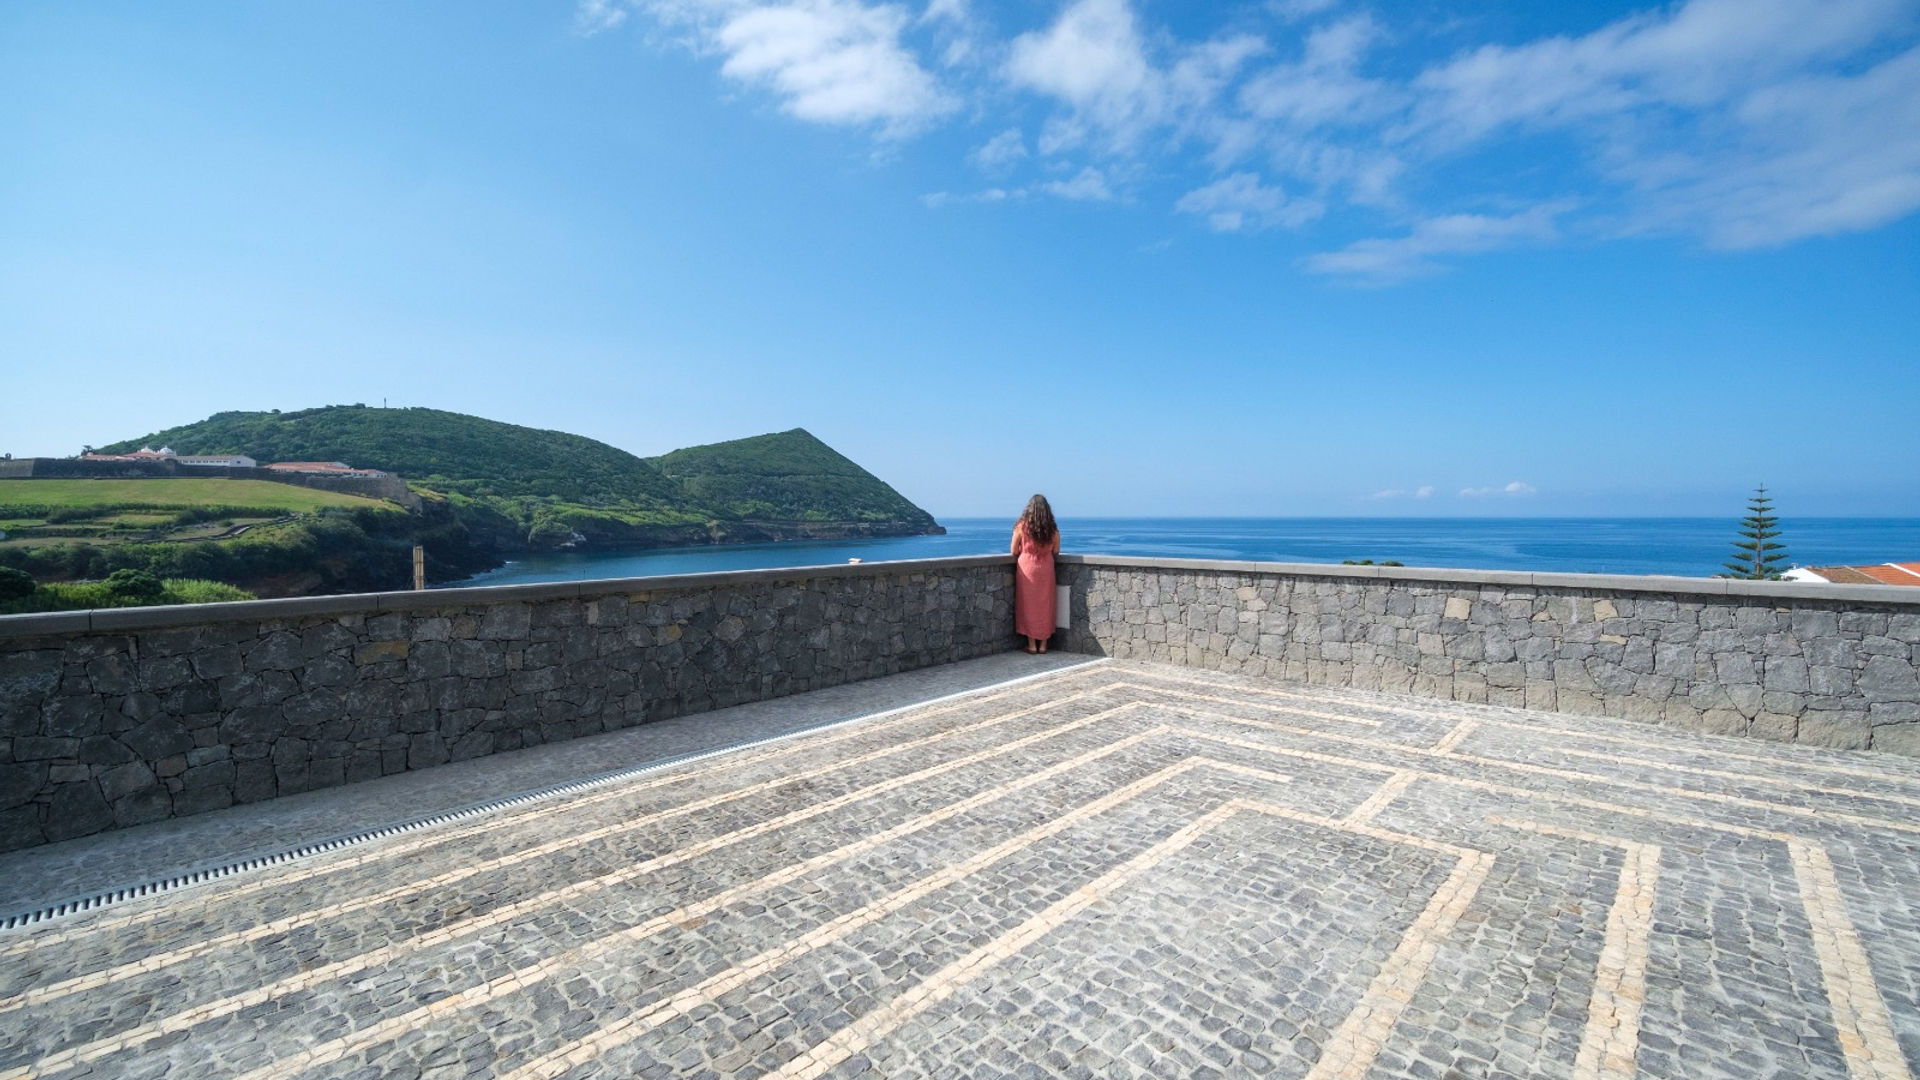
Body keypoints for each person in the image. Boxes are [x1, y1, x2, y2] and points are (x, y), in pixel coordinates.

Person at [1011, 494, 1060, 654]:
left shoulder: (1021, 527)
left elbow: (1013, 550)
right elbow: (1056, 550)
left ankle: (1032, 644)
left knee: (1028, 604)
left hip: (1027, 568)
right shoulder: (1052, 529)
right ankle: (1044, 645)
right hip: (1046, 567)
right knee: (1046, 603)